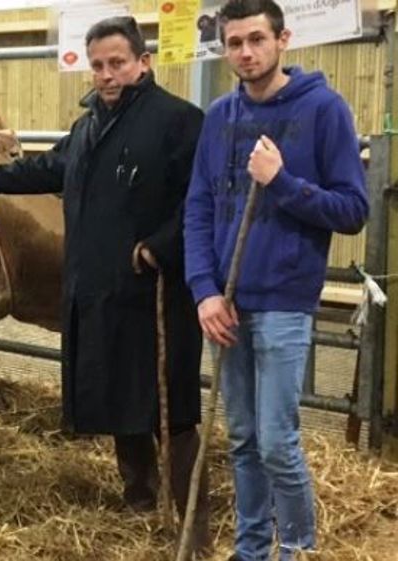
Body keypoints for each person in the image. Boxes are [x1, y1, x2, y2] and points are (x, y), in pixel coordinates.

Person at [0, 16, 210, 551]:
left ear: (143, 63)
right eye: (98, 65)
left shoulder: (179, 122)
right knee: (120, 395)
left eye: (118, 63)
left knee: (170, 403)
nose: (107, 75)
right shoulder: (88, 128)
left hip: (154, 290)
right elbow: (44, 170)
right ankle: (137, 495)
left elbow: (201, 201)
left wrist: (161, 244)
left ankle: (191, 521)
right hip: (100, 289)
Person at [182, 1, 369, 559]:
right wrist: (204, 290)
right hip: (227, 302)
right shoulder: (219, 116)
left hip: (285, 298)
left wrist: (282, 181)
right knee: (240, 439)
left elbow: (353, 209)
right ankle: (252, 548)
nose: (245, 52)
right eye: (233, 43)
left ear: (282, 39)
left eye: (256, 39)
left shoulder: (324, 110)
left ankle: (298, 550)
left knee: (277, 442)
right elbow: (197, 207)